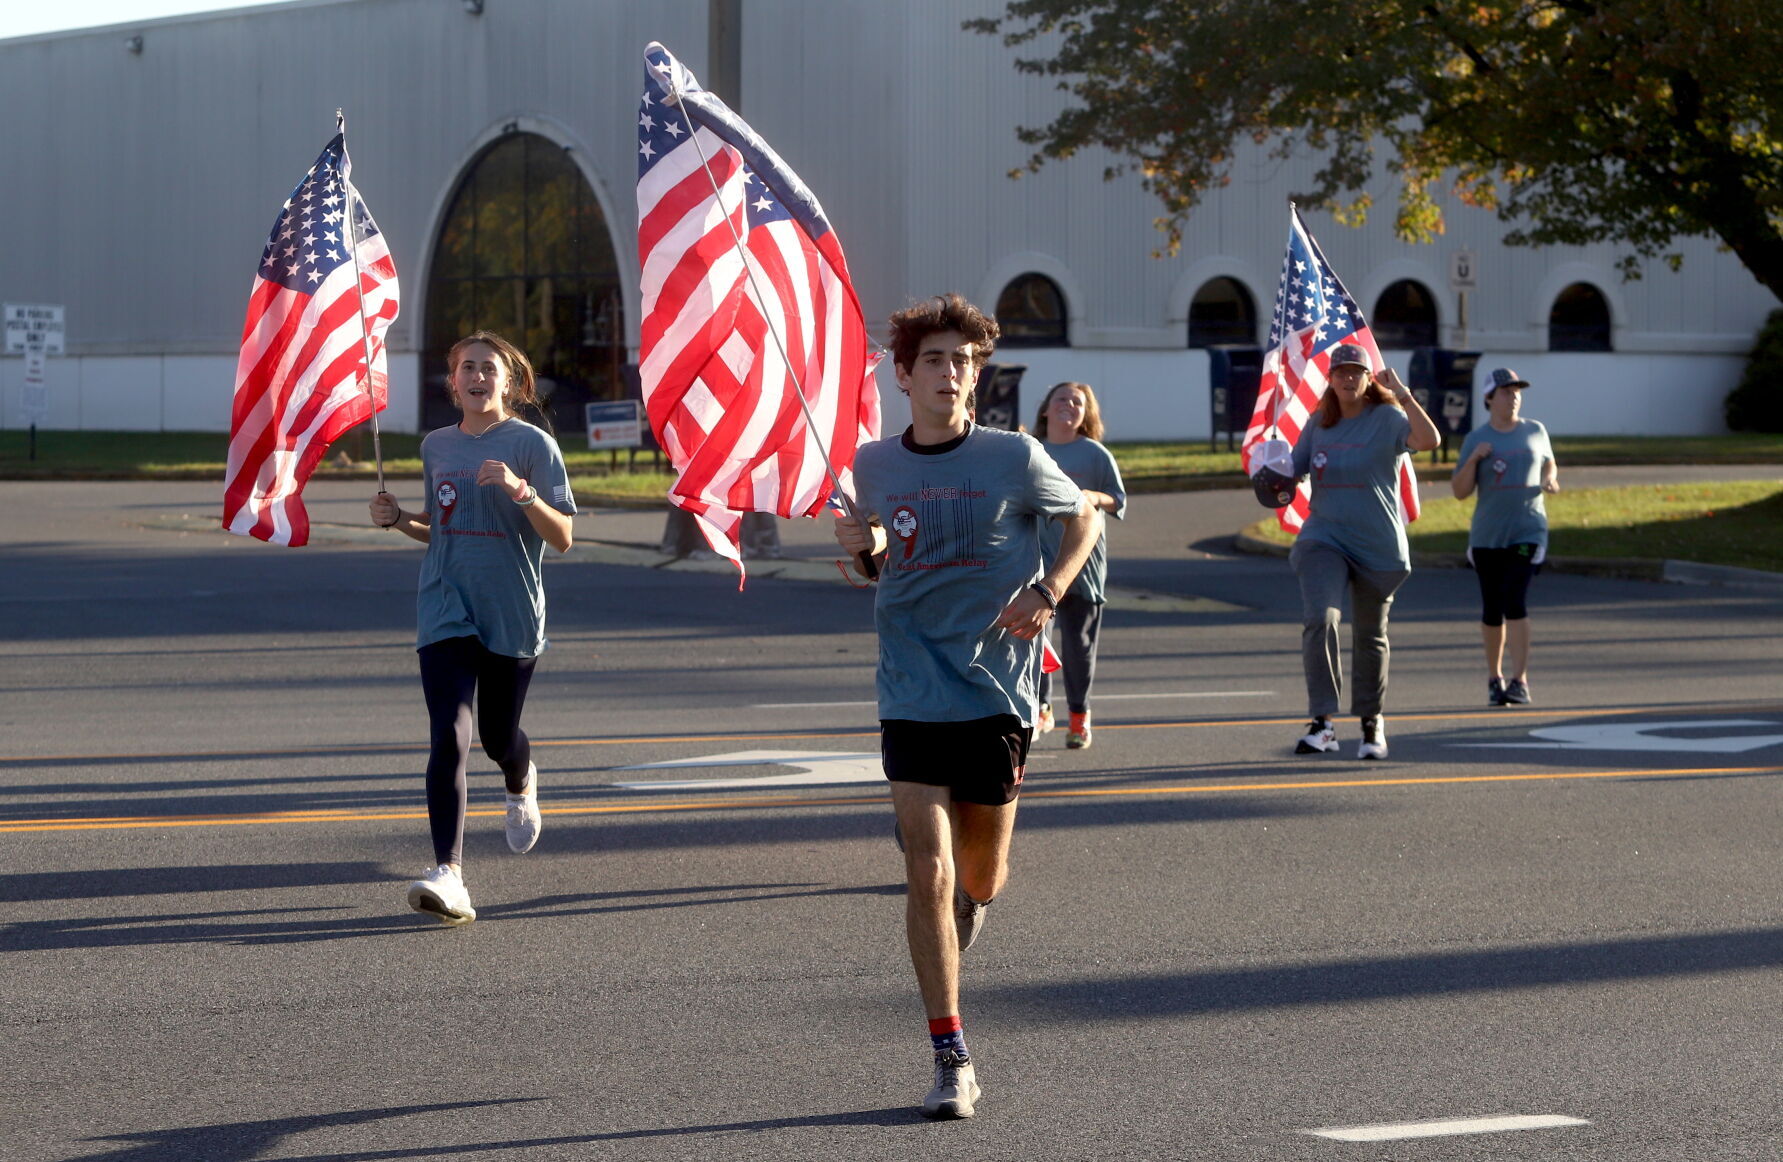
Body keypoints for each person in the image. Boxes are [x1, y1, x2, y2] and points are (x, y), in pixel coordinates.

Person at [834, 294, 1102, 1119]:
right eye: (935, 361)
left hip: (996, 691)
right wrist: (859, 551)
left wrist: (1048, 589)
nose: (949, 374)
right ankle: (952, 1054)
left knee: (979, 877)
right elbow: (879, 559)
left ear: (974, 375)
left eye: (963, 362)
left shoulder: (1013, 456)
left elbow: (1083, 516)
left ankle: (969, 910)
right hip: (910, 687)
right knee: (928, 871)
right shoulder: (872, 465)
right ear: (904, 375)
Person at [368, 330, 576, 925]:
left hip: (510, 611)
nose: (478, 377)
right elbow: (442, 527)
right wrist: (401, 519)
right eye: (467, 368)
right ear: (452, 380)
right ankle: (449, 873)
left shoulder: (532, 444)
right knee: (448, 735)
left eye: (489, 368)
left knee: (496, 738)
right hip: (444, 607)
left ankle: (520, 776)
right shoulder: (437, 446)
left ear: (508, 381)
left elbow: (561, 537)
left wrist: (521, 490)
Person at [1287, 344, 1440, 760]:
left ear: (1369, 378)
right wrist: (1271, 473)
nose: (1348, 379)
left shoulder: (1388, 418)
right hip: (1325, 538)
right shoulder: (1319, 422)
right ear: (1331, 379)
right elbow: (1290, 472)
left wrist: (1404, 395)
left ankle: (1372, 721)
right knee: (1322, 618)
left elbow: (1429, 440)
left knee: (1371, 636)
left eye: (1357, 372)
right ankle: (1322, 723)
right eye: (1341, 373)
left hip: (1377, 545)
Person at [1452, 368, 1560, 706]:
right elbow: (1459, 491)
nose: (1513, 397)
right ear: (1489, 398)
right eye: (1505, 392)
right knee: (1492, 608)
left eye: (1516, 391)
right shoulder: (1476, 439)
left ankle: (1520, 679)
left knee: (1515, 599)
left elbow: (1549, 464)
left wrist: (1550, 479)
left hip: (1528, 528)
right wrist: (1473, 459)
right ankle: (1494, 677)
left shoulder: (1535, 431)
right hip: (1488, 535)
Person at [1031, 381, 1127, 749]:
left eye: (1077, 402)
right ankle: (1041, 708)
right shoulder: (1033, 451)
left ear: (1086, 414)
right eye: (1061, 399)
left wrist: (1094, 497)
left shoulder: (1095, 454)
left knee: (1078, 647)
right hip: (1039, 565)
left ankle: (1078, 717)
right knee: (1036, 640)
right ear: (1045, 409)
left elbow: (1119, 501)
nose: (1068, 405)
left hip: (1083, 566)